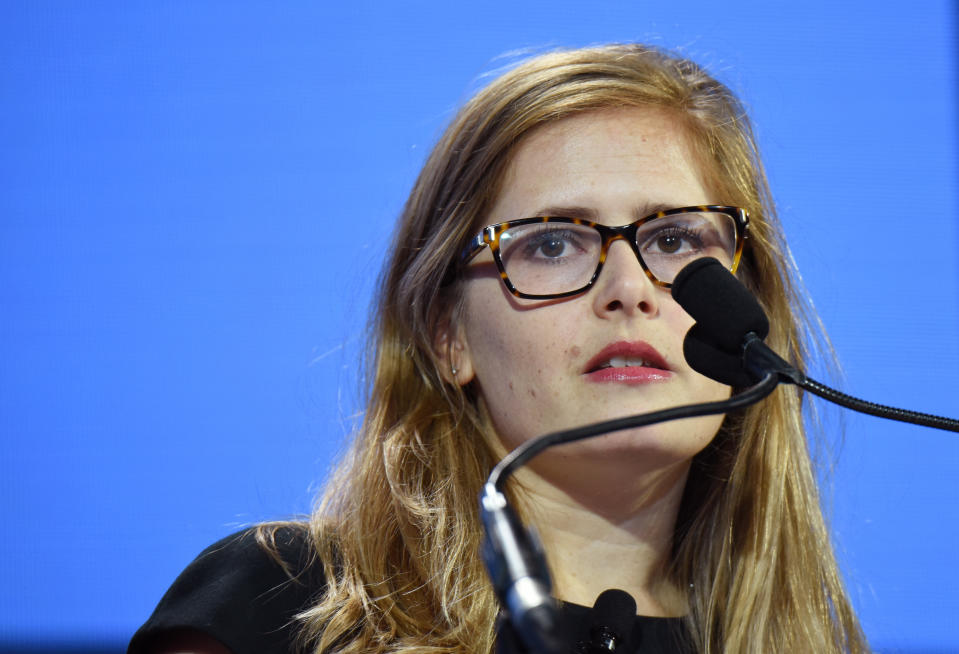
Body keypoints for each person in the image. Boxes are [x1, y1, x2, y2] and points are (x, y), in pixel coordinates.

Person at [129, 43, 870, 654]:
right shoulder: (279, 607)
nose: (629, 289)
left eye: (672, 239)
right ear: (447, 336)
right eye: (552, 243)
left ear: (748, 316)